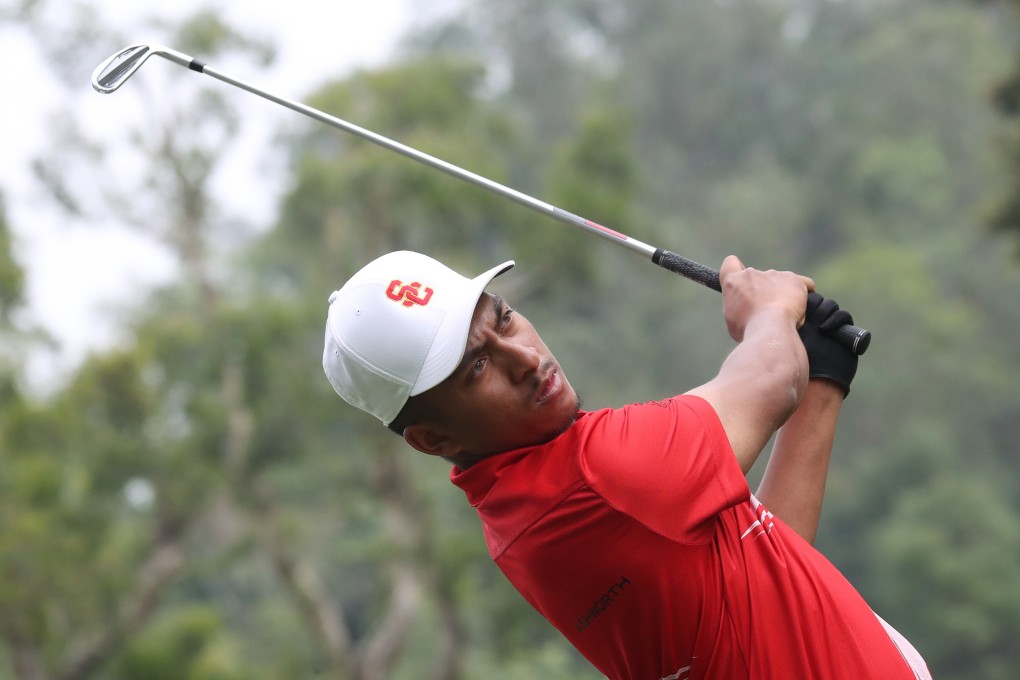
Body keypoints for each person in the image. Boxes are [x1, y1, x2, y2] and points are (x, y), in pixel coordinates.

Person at [321, 249, 932, 680]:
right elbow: (771, 377)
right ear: (431, 439)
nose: (525, 358)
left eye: (504, 317)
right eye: (477, 367)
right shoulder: (595, 477)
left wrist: (820, 377)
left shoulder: (528, 507)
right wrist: (769, 310)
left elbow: (769, 560)